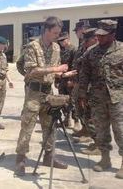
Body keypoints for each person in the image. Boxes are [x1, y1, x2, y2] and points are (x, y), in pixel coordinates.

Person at [15, 16, 77, 176]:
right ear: (47, 30)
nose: (58, 35)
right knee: (27, 126)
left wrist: (63, 74)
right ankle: (20, 159)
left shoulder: (56, 48)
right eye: (55, 32)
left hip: (48, 92)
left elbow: (53, 72)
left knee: (50, 126)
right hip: (34, 93)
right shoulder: (32, 47)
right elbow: (32, 70)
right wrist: (55, 69)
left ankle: (49, 157)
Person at [78, 19, 123, 179]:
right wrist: (82, 93)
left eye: (104, 35)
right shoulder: (91, 52)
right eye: (98, 35)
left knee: (120, 130)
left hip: (118, 98)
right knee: (101, 129)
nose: (100, 38)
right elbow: (84, 74)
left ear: (113, 34)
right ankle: (105, 159)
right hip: (97, 98)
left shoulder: (122, 50)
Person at [56, 32, 77, 128]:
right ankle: (66, 119)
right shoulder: (61, 50)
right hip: (61, 79)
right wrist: (56, 80)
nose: (60, 42)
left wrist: (72, 80)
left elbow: (75, 66)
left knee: (72, 101)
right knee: (62, 100)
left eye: (62, 40)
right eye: (59, 41)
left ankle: (76, 121)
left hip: (69, 78)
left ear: (68, 39)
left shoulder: (74, 49)